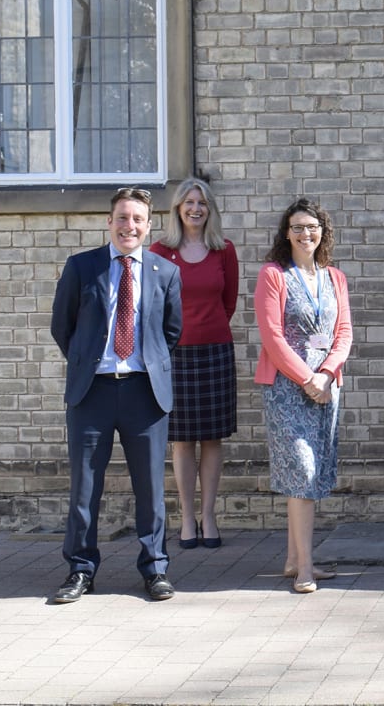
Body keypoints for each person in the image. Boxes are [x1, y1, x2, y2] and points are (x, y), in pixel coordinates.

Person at [49, 188, 183, 604]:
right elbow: (62, 327)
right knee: (84, 486)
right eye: (122, 218)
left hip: (144, 394)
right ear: (110, 222)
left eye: (138, 219)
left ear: (148, 224)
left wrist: (147, 364)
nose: (130, 226)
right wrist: (89, 360)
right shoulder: (82, 267)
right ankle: (81, 570)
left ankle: (155, 568)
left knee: (151, 488)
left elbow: (171, 332)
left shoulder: (164, 272)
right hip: (93, 393)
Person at [255, 198, 353, 594]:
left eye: (312, 226)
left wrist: (326, 374)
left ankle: (294, 557)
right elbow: (272, 336)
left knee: (314, 473)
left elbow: (343, 331)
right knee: (302, 472)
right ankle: (306, 568)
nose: (305, 233)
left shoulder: (335, 278)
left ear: (322, 231)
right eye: (297, 227)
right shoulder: (273, 275)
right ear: (286, 233)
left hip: (327, 387)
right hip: (286, 388)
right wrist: (307, 378)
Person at [150, 178, 239, 551]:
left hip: (215, 351)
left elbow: (229, 301)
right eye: (188, 202)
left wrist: (209, 328)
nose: (195, 209)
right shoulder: (160, 250)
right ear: (177, 209)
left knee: (212, 438)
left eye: (201, 203)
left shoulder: (224, 250)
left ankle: (209, 516)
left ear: (210, 208)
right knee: (182, 440)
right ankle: (187, 518)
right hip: (176, 354)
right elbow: (152, 305)